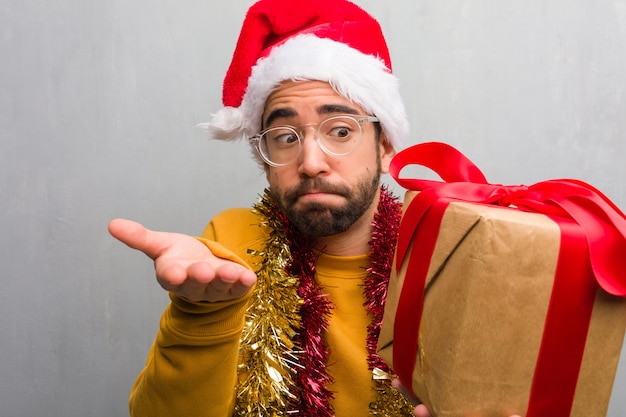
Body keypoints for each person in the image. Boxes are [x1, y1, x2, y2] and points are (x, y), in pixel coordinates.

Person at [109, 1, 521, 416]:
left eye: (340, 130)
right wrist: (201, 315)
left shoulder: (448, 258)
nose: (310, 163)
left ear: (384, 143)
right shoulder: (229, 246)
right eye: (285, 137)